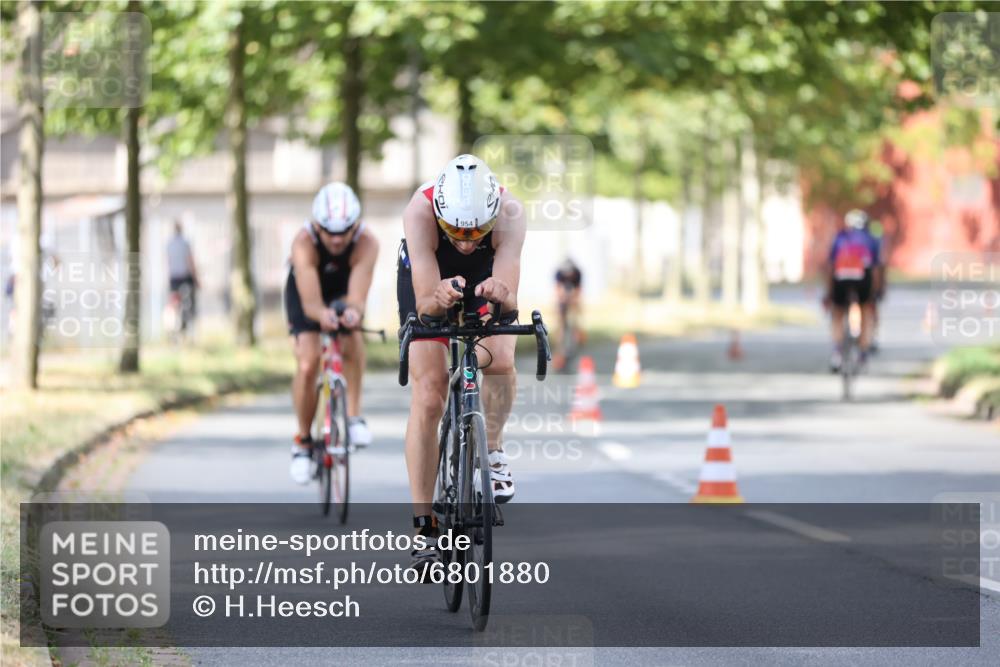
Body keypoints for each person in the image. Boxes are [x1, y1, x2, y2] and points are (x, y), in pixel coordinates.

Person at [397, 154, 526, 573]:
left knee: (501, 358)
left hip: (484, 278)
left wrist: (499, 294)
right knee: (430, 393)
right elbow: (424, 304)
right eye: (456, 231)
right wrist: (439, 296)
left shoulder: (510, 212)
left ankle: (492, 450)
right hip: (432, 277)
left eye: (477, 232)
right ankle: (424, 528)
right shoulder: (419, 211)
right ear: (440, 214)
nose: (468, 241)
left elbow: (508, 302)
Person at [286, 182, 379, 484]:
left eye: (344, 231)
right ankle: (302, 440)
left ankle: (353, 416)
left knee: (352, 337)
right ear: (316, 225)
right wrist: (322, 315)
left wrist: (352, 312)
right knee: (308, 360)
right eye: (329, 232)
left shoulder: (367, 242)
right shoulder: (303, 243)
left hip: (343, 287)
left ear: (356, 225)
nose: (337, 240)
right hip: (306, 291)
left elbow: (357, 295)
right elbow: (312, 304)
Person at [824, 209, 882, 371]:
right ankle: (863, 353)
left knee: (838, 313)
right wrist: (875, 292)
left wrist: (829, 292)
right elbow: (876, 268)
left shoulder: (840, 237)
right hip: (863, 277)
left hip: (841, 276)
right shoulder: (871, 239)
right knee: (864, 311)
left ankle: (837, 352)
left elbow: (830, 266)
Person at [166, 221, 199, 334]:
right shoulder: (185, 243)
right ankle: (184, 325)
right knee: (188, 302)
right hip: (185, 277)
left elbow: (168, 262)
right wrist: (196, 279)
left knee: (174, 303)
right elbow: (190, 261)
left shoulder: (169, 244)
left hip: (173, 278)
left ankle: (173, 328)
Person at [552, 258, 583, 371]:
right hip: (562, 299)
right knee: (560, 324)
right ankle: (559, 350)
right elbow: (557, 290)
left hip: (573, 296)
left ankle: (575, 340)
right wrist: (563, 300)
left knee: (575, 320)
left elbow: (579, 291)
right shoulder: (559, 273)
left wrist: (574, 301)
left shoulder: (578, 273)